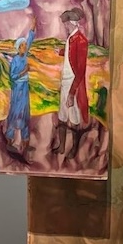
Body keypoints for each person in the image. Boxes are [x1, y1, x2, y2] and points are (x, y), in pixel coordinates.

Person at [52, 8, 90, 158]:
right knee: (62, 114)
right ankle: (61, 146)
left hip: (73, 83)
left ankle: (74, 149)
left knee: (74, 117)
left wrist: (72, 93)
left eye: (66, 24)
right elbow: (70, 54)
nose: (65, 27)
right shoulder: (71, 39)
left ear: (72, 23)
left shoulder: (81, 41)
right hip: (65, 81)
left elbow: (80, 70)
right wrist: (61, 52)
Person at [5, 17, 36, 156]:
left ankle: (25, 143)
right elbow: (12, 76)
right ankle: (9, 141)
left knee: (25, 115)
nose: (25, 46)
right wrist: (24, 71)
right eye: (23, 45)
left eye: (25, 45)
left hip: (24, 90)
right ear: (19, 48)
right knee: (15, 114)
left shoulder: (24, 56)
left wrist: (33, 26)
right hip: (18, 91)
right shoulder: (16, 60)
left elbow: (30, 39)